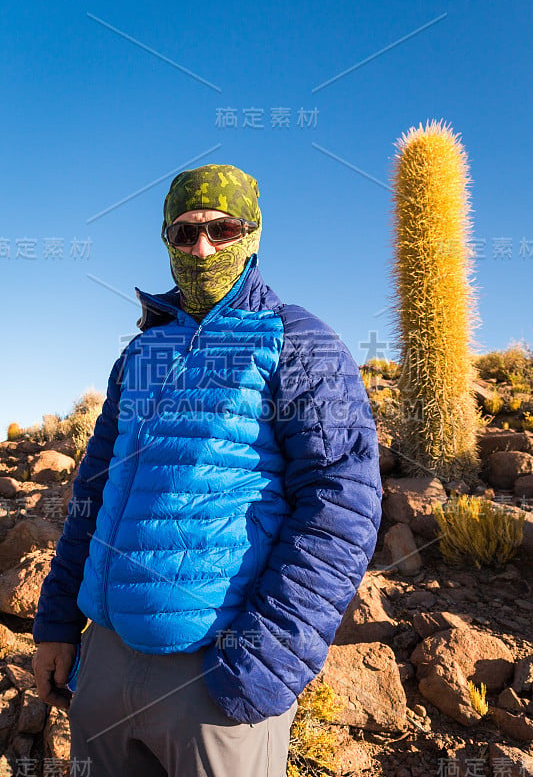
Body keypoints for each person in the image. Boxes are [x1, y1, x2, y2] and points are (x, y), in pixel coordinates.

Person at [32, 163, 383, 777]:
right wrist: (58, 622)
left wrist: (261, 664)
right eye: (184, 232)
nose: (202, 248)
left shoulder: (297, 341)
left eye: (223, 230)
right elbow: (92, 490)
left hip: (215, 676)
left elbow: (343, 505)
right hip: (106, 661)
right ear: (166, 238)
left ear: (253, 235)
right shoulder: (140, 354)